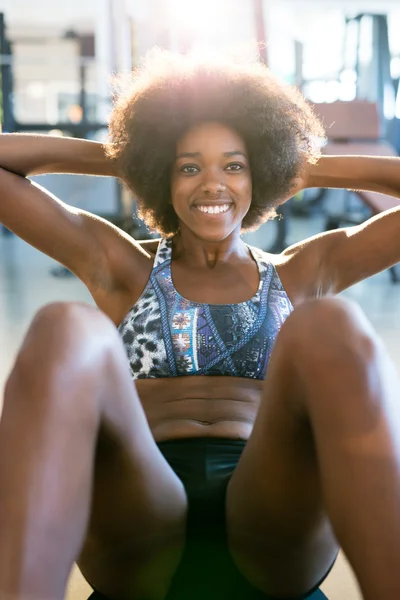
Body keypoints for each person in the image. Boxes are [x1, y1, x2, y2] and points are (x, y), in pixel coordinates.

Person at [0, 49, 399, 600]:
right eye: (189, 166)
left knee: (331, 325)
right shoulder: (121, 265)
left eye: (234, 165)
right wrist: (128, 157)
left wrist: (298, 167)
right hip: (141, 502)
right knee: (66, 329)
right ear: (163, 175)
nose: (212, 184)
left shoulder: (306, 271)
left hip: (272, 507)